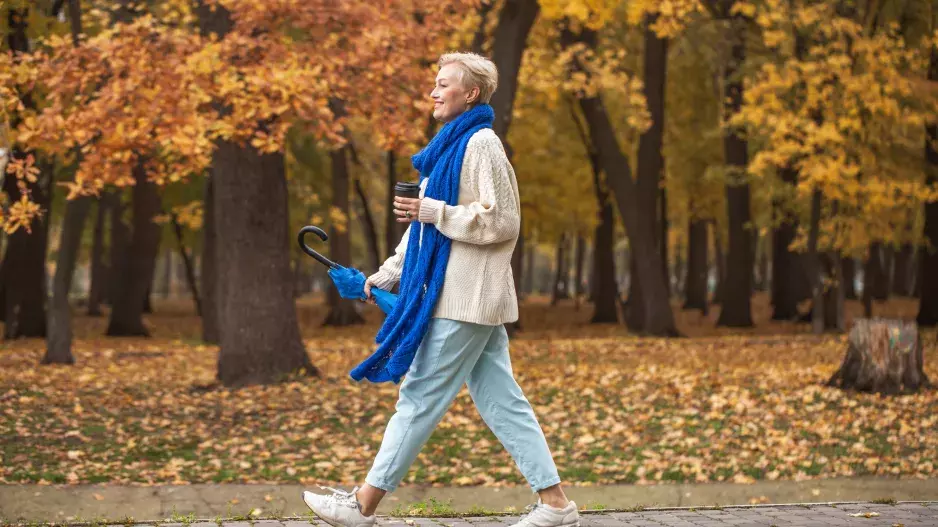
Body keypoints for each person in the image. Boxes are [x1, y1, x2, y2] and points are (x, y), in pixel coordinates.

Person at [302, 51, 579, 527]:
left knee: (419, 398)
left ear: (470, 94)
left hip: (465, 299)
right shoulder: (445, 150)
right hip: (459, 297)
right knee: (503, 402)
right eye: (434, 82)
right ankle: (556, 506)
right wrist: (384, 275)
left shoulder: (482, 144)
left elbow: (504, 221)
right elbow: (420, 231)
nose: (433, 91)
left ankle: (362, 505)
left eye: (444, 83)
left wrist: (438, 212)